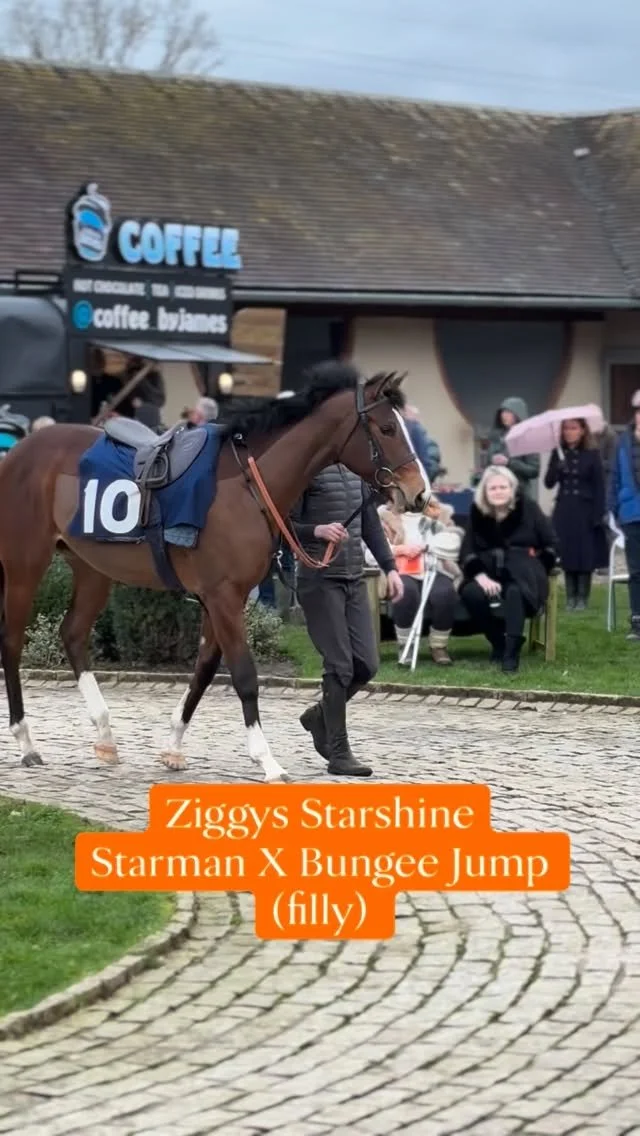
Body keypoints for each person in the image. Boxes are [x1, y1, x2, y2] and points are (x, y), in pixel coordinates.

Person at [291, 464, 403, 777]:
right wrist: (316, 530)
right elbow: (281, 523)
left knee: (366, 665)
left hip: (353, 579)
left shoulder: (356, 474)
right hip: (319, 579)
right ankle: (339, 754)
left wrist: (391, 568)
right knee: (340, 666)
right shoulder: (307, 470)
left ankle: (319, 716)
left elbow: (371, 527)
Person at [459, 465, 558, 673]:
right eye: (493, 488)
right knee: (471, 593)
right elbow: (467, 550)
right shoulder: (477, 512)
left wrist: (539, 566)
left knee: (515, 591)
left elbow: (551, 544)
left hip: (524, 570)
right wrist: (480, 576)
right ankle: (498, 642)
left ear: (512, 489)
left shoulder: (529, 508)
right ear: (485, 491)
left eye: (503, 487)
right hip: (488, 569)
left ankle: (511, 654)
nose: (498, 492)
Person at [378, 498, 463, 665]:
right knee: (405, 591)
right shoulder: (385, 518)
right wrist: (399, 549)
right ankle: (406, 644)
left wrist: (428, 546)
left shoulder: (440, 515)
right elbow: (373, 550)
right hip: (401, 570)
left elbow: (453, 543)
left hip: (435, 568)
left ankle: (438, 646)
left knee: (445, 593)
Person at [544, 418, 607, 611]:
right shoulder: (558, 453)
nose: (569, 432)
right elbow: (548, 483)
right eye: (566, 428)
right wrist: (557, 468)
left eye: (573, 428)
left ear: (582, 431)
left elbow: (599, 486)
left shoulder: (592, 454)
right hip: (565, 508)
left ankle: (582, 597)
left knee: (584, 553)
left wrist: (598, 514)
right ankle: (570, 597)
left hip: (585, 509)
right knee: (567, 552)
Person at [609, 390, 640, 640]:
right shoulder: (624, 441)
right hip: (631, 513)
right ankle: (637, 621)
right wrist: (615, 508)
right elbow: (615, 477)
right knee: (636, 571)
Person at [482, 396, 540, 499]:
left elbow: (534, 471)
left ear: (518, 414)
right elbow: (487, 464)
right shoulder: (496, 436)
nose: (504, 415)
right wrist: (492, 461)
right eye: (502, 412)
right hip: (497, 493)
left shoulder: (528, 438)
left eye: (508, 412)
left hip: (519, 494)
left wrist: (509, 462)